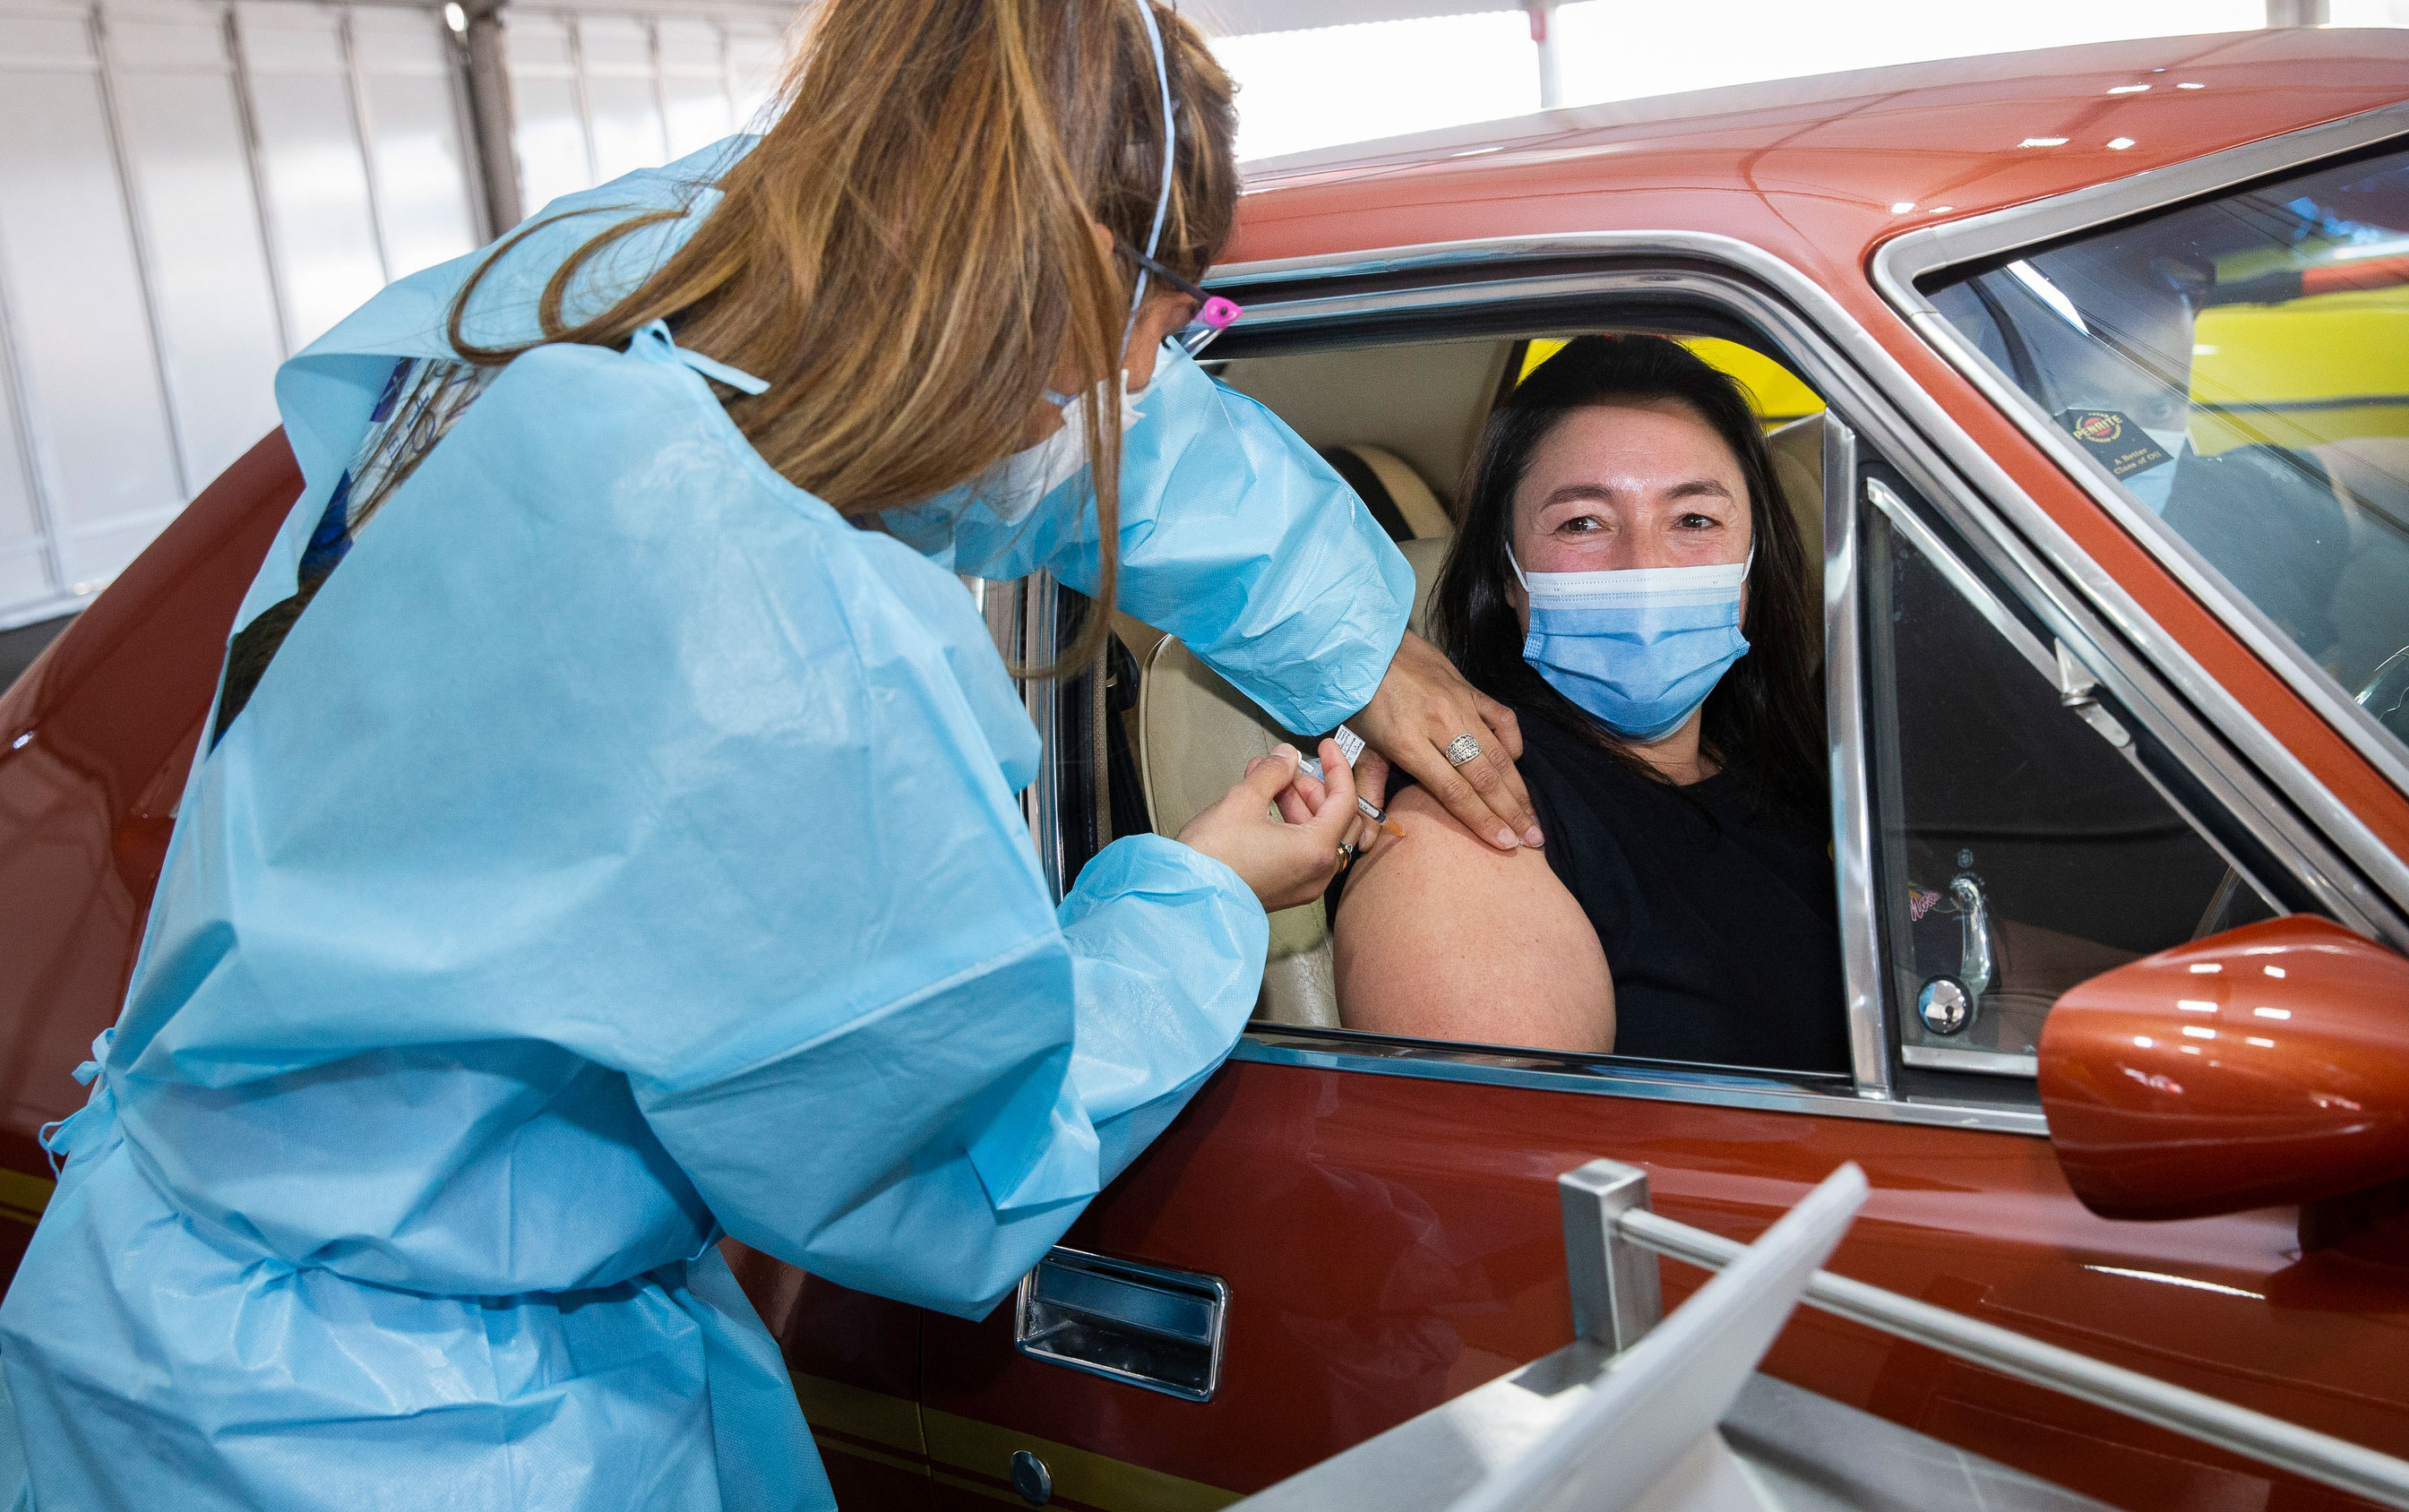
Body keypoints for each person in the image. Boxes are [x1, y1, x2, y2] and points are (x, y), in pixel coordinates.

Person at [0, 4, 1542, 1508]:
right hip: (392, 1434)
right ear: (1009, 295)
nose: (1140, 399)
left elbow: (1045, 431)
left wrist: (1353, 631)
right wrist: (1200, 896)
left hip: (154, 1304)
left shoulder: (602, 285)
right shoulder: (788, 656)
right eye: (1135, 351)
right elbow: (950, 1160)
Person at [1326, 336, 1845, 1071]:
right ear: (1506, 578)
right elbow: (1514, 1174)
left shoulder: (1794, 762)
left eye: (1694, 520)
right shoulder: (1475, 826)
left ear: (1757, 565)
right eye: (1583, 523)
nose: (1644, 568)